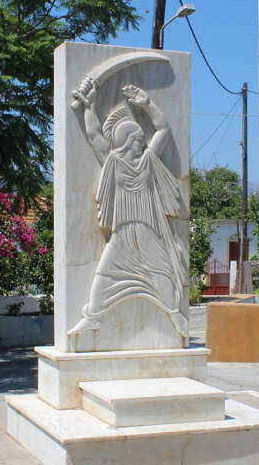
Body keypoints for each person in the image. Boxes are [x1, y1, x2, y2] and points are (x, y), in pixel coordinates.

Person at [68, 78, 188, 345]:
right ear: (126, 141)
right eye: (137, 139)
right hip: (123, 232)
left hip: (147, 230)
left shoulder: (148, 160)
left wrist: (147, 103)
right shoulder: (113, 162)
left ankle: (174, 314)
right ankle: (93, 316)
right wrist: (90, 106)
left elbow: (163, 129)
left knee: (161, 272)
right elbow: (95, 136)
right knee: (104, 273)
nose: (142, 143)